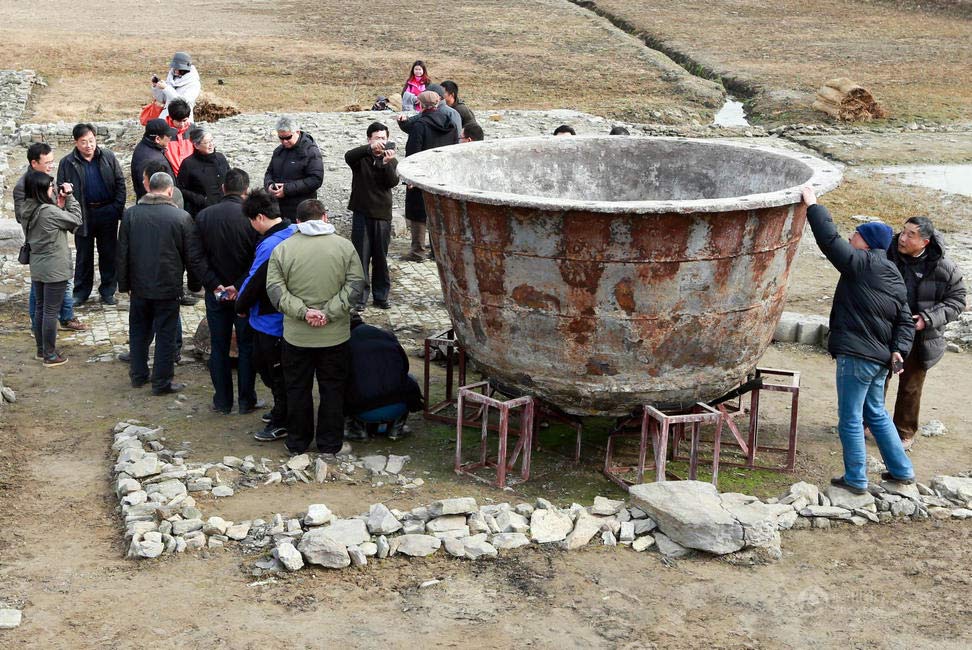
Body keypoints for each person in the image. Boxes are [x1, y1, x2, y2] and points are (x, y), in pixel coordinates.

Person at [802, 186, 915, 493]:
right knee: (875, 413)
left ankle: (856, 478)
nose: (851, 236)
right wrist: (899, 352)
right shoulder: (893, 274)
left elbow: (828, 240)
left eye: (856, 234)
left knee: (850, 418)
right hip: (880, 360)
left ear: (866, 243)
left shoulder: (861, 263)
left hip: (857, 356)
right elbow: (905, 321)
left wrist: (813, 205)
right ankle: (902, 470)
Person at [266, 199, 364, 458]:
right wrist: (329, 313)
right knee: (332, 389)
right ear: (325, 217)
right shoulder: (345, 247)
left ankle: (297, 442)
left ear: (297, 221)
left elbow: (276, 291)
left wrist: (303, 312)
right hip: (335, 335)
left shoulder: (283, 249)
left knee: (297, 388)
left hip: (296, 336)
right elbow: (355, 286)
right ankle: (330, 443)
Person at [117, 172, 206, 395]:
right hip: (168, 286)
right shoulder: (181, 217)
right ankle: (162, 382)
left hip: (139, 286)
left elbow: (122, 253)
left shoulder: (131, 215)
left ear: (149, 188)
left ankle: (138, 375)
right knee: (165, 335)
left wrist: (124, 285)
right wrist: (195, 285)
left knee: (138, 331)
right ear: (169, 191)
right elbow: (191, 256)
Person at [885, 216, 966, 450]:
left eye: (911, 235)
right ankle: (868, 423)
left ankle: (904, 433)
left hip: (920, 337)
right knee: (877, 378)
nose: (903, 238)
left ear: (925, 242)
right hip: (885, 330)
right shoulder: (887, 255)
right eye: (903, 232)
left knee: (910, 385)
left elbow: (958, 300)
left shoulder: (943, 267)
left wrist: (927, 319)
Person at [194, 168, 259, 414]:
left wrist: (213, 284)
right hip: (244, 293)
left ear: (223, 189)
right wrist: (240, 284)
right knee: (246, 346)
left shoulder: (204, 216)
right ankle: (246, 400)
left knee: (219, 347)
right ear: (246, 191)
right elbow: (257, 259)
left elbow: (196, 256)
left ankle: (222, 401)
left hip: (216, 292)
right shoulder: (252, 219)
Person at [237, 189, 297, 442]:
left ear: (259, 217)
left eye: (251, 221)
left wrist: (239, 304)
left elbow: (255, 281)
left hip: (270, 320)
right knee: (281, 371)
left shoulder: (270, 244)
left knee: (273, 371)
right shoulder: (293, 231)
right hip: (287, 317)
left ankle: (282, 419)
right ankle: (282, 412)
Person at [14, 143, 87, 332]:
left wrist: (59, 206)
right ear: (34, 163)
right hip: (43, 244)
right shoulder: (24, 186)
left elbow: (51, 209)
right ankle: (39, 329)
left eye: (52, 162)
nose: (51, 166)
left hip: (56, 239)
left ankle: (66, 316)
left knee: (63, 282)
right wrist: (58, 211)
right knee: (40, 295)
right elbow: (24, 216)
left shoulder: (47, 179)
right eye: (47, 162)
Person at [55, 123, 127, 306]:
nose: (89, 145)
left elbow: (120, 182)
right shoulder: (67, 162)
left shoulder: (107, 157)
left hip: (107, 211)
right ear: (76, 142)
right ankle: (81, 292)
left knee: (109, 253)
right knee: (83, 255)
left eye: (92, 141)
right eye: (84, 142)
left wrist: (116, 207)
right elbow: (60, 187)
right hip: (83, 214)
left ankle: (108, 290)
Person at [20, 171, 82, 366]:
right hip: (55, 267)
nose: (53, 190)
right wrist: (70, 197)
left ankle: (41, 350)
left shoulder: (27, 209)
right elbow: (76, 220)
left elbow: (53, 219)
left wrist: (59, 205)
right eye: (49, 187)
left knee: (40, 308)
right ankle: (50, 354)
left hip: (38, 265)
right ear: (40, 190)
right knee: (50, 311)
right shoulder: (49, 211)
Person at [344, 313, 424, 442]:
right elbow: (405, 366)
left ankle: (357, 430)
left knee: (337, 386)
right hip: (399, 405)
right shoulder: (386, 335)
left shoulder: (344, 343)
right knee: (409, 378)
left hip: (364, 409)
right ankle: (396, 429)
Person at [345, 121, 399, 310]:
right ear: (369, 139)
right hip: (361, 212)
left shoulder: (391, 159)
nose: (381, 142)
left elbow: (392, 182)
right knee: (360, 258)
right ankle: (360, 298)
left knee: (380, 258)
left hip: (382, 214)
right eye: (377, 138)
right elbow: (348, 156)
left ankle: (381, 296)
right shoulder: (360, 158)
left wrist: (386, 164)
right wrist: (369, 149)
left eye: (384, 138)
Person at [401, 91, 459, 262]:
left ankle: (418, 251)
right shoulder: (450, 123)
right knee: (438, 213)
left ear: (420, 105)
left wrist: (410, 178)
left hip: (421, 176)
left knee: (417, 212)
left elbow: (413, 152)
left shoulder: (420, 125)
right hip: (442, 175)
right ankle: (437, 250)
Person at [263, 116, 324, 221]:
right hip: (278, 208)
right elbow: (269, 172)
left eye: (288, 137)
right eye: (281, 138)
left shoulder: (310, 151)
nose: (284, 141)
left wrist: (286, 189)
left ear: (297, 132)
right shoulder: (278, 151)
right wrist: (269, 186)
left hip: (300, 209)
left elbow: (316, 180)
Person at [177, 127, 229, 217]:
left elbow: (230, 177)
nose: (211, 145)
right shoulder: (188, 164)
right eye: (207, 142)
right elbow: (180, 188)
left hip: (224, 206)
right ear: (196, 145)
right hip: (203, 211)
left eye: (212, 141)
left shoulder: (220, 157)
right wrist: (199, 199)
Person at [131, 119, 176, 200]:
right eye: (169, 136)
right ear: (157, 139)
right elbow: (149, 189)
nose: (170, 139)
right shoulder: (151, 159)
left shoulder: (145, 146)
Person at [152, 52, 202, 121]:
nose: (175, 70)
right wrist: (156, 87)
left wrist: (166, 88)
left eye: (178, 68)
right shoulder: (172, 78)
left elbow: (183, 102)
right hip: (166, 119)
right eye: (174, 68)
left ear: (185, 69)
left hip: (182, 121)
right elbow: (163, 99)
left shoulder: (194, 84)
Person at [163, 99, 195, 178]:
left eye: (184, 120)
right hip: (170, 175)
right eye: (178, 121)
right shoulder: (162, 131)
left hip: (190, 174)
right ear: (171, 118)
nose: (182, 124)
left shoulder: (193, 129)